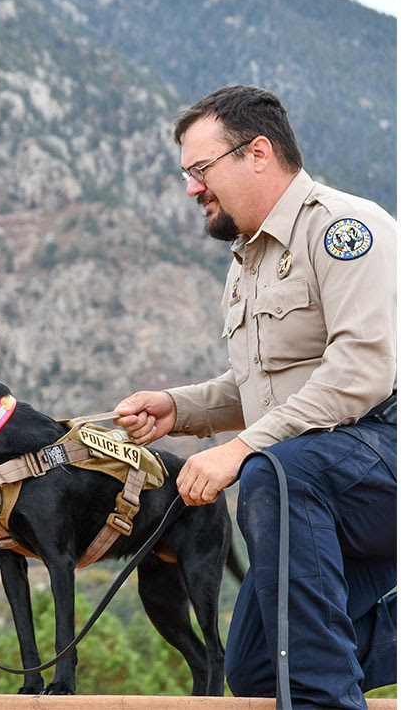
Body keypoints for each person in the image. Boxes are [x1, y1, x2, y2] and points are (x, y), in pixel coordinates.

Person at [114, 85, 396, 709]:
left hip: (381, 456)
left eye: (201, 169)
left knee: (273, 471)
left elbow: (360, 375)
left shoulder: (346, 230)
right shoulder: (247, 261)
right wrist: (177, 407)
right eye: (187, 174)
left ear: (258, 153)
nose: (192, 188)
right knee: (258, 667)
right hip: (318, 481)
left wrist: (239, 451)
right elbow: (265, 389)